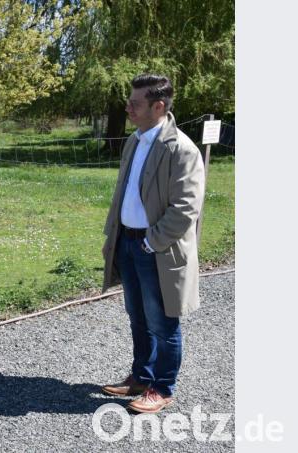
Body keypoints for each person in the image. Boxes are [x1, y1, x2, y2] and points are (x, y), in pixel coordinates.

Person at [100, 74, 206, 414]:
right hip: (127, 244)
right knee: (138, 317)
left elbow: (186, 208)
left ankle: (162, 388)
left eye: (135, 103)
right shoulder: (135, 140)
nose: (128, 108)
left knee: (162, 323)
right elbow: (125, 192)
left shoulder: (182, 149)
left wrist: (150, 242)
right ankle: (141, 377)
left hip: (156, 250)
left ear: (158, 107)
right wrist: (117, 236)